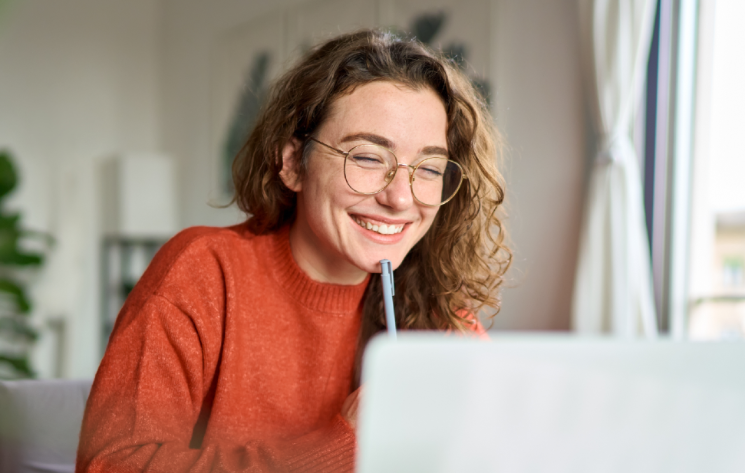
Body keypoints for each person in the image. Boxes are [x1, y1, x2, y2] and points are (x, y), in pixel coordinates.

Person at [76, 29, 511, 473]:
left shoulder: (437, 311)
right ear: (291, 163)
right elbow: (110, 465)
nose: (401, 198)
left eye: (429, 168)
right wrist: (343, 444)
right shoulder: (204, 272)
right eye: (366, 158)